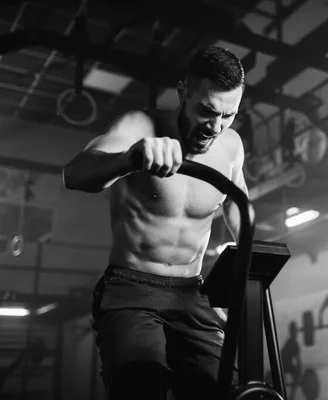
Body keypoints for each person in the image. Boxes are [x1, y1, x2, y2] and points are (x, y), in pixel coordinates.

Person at [62, 45, 249, 400]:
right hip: (131, 289)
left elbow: (239, 202)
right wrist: (128, 159)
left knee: (219, 388)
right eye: (207, 110)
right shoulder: (140, 125)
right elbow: (74, 174)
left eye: (228, 115)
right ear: (183, 92)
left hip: (193, 293)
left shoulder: (231, 145)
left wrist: (250, 252)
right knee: (141, 384)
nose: (216, 126)